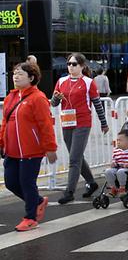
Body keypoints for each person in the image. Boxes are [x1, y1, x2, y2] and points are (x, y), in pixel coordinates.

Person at [0, 62, 57, 230]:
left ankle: (30, 217)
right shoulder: (11, 97)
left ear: (31, 78)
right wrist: (1, 142)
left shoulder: (38, 98)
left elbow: (45, 125)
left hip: (31, 150)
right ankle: (38, 201)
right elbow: (5, 122)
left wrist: (50, 148)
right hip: (12, 150)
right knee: (11, 182)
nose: (16, 77)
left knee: (27, 182)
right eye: (14, 73)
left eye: (20, 74)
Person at [52, 53, 108, 204]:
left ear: (82, 66)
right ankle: (92, 182)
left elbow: (97, 104)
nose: (71, 66)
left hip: (82, 123)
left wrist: (104, 123)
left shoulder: (89, 82)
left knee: (74, 159)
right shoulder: (61, 81)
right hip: (66, 122)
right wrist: (56, 97)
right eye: (69, 64)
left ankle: (69, 192)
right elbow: (54, 103)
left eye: (74, 64)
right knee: (76, 157)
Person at [104, 128, 128, 196]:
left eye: (120, 140)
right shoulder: (116, 151)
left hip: (127, 169)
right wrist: (113, 163)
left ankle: (122, 188)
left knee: (121, 172)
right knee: (108, 171)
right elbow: (115, 160)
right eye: (117, 140)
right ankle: (113, 188)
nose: (118, 142)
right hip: (117, 167)